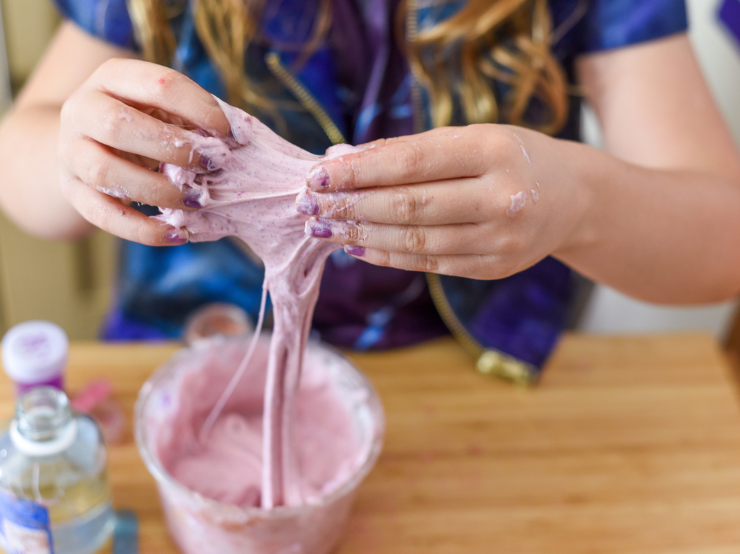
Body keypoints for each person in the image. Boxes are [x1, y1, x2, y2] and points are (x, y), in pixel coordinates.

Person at [0, 0, 738, 370]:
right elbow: (20, 165)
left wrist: (583, 201)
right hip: (188, 350)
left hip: (458, 369)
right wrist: (72, 150)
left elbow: (722, 241)